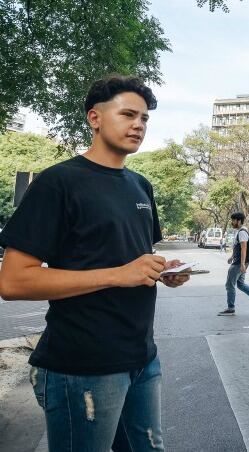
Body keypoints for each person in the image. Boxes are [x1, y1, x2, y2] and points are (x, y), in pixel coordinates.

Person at [0, 75, 190, 451]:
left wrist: (161, 271)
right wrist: (120, 275)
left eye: (145, 118)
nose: (138, 124)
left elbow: (130, 258)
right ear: (95, 118)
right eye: (128, 114)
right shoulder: (59, 183)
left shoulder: (141, 186)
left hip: (142, 358)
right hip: (82, 366)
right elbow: (13, 282)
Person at [218, 212, 249, 315]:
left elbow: (244, 248)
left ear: (239, 221)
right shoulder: (240, 231)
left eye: (233, 220)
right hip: (240, 262)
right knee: (240, 284)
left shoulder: (242, 232)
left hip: (239, 264)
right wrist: (232, 257)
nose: (232, 222)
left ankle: (231, 308)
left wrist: (242, 264)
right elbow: (238, 248)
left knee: (229, 285)